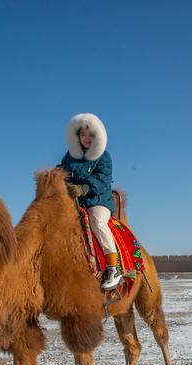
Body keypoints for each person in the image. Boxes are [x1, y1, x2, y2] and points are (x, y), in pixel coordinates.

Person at [59, 113, 122, 289]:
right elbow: (62, 170)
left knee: (97, 221)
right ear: (78, 136)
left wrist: (84, 188)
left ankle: (113, 266)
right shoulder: (70, 156)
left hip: (98, 200)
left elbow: (102, 180)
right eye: (83, 134)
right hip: (74, 201)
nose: (86, 138)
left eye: (90, 134)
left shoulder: (104, 157)